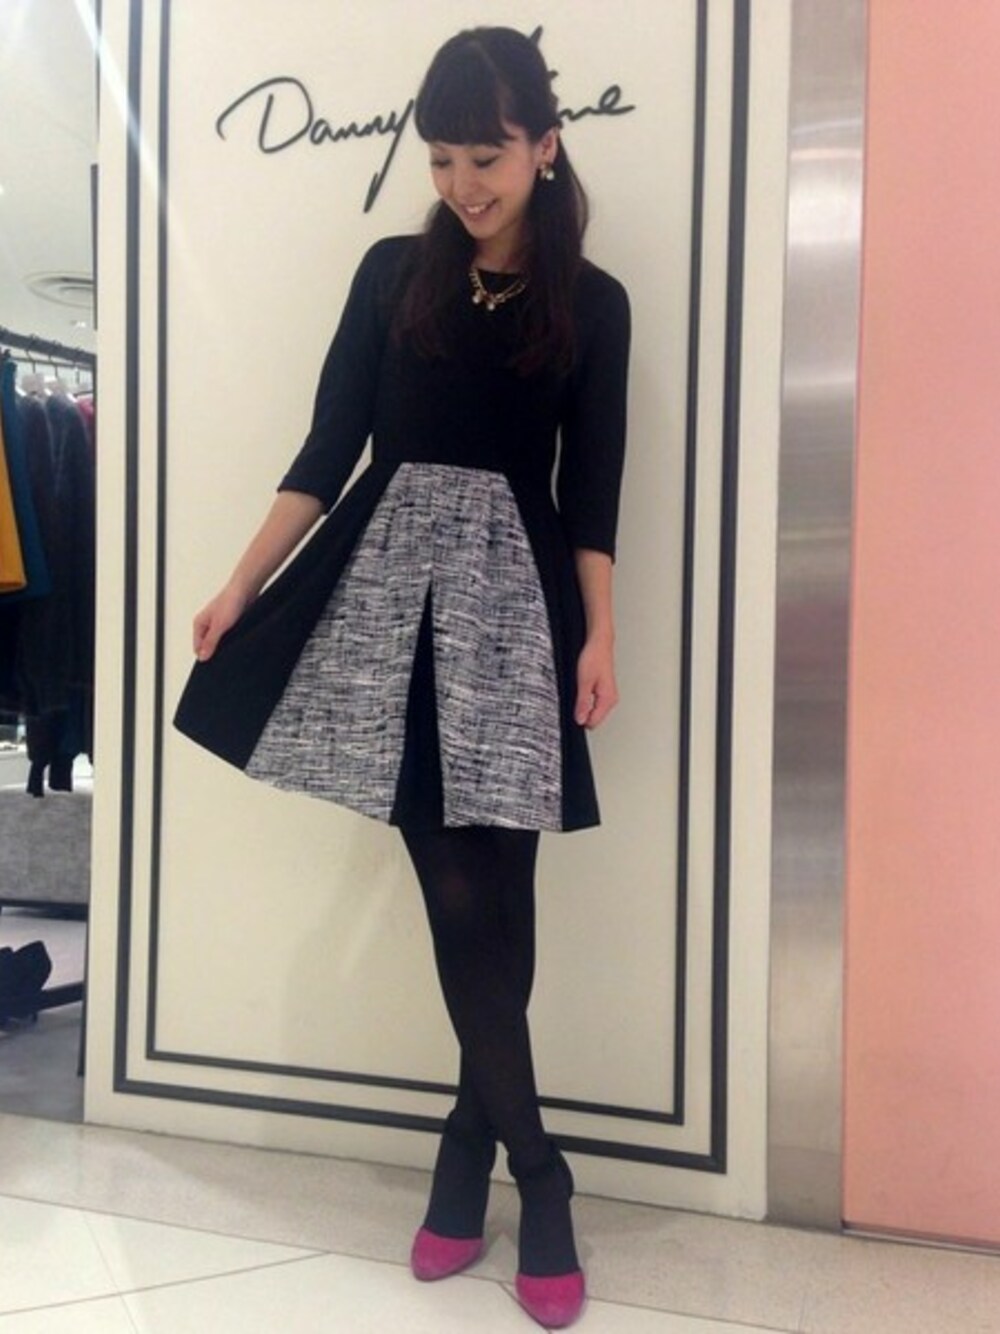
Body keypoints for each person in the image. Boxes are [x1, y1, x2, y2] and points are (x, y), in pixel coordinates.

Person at [174, 25, 629, 1330]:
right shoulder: (391, 273)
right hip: (384, 604)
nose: (462, 183)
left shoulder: (593, 302)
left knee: (502, 893)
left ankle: (468, 1149)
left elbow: (592, 491)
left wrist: (600, 634)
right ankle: (539, 1171)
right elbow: (329, 446)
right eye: (440, 158)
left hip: (516, 606)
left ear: (545, 146)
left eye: (486, 155)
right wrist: (240, 583)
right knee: (456, 887)